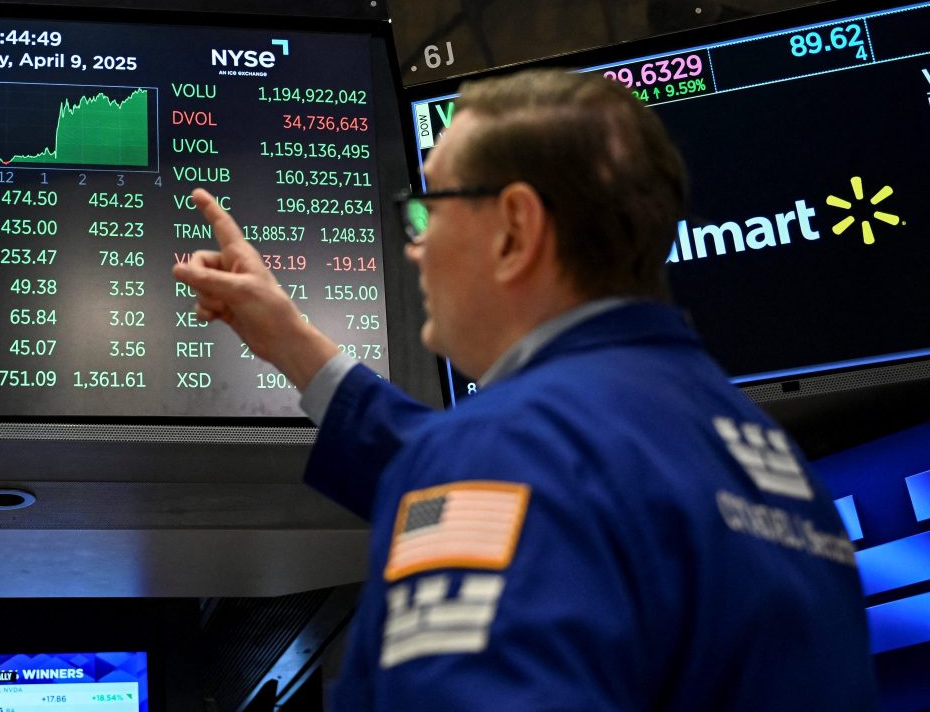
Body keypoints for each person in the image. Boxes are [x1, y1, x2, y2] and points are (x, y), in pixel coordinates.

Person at [172, 69, 875, 710]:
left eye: (430, 210)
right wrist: (289, 339)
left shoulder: (507, 445)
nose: (414, 245)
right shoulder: (766, 464)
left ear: (515, 229)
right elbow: (536, 484)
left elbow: (493, 471)